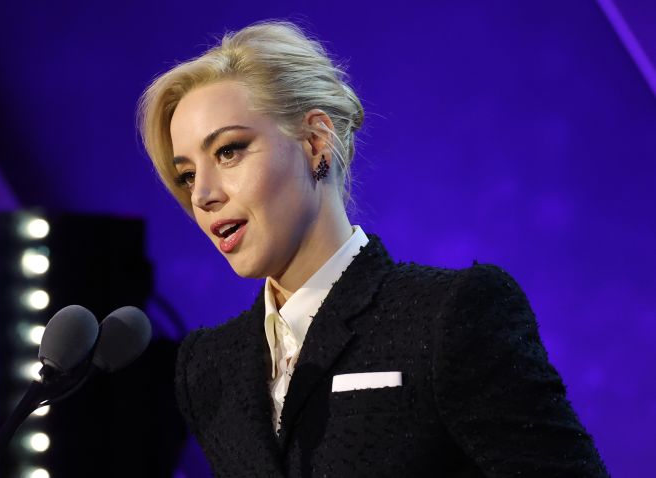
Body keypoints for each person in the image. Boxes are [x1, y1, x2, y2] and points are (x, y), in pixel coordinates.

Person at [138, 21, 609, 477]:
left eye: (228, 151)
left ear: (316, 141)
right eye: (187, 175)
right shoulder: (210, 365)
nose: (202, 195)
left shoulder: (449, 314)